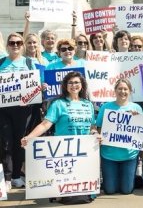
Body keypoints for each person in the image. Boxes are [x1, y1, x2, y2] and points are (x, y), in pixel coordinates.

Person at [21, 72, 99, 202]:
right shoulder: (58, 104)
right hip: (64, 152)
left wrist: (96, 134)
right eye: (70, 83)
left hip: (84, 153)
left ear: (82, 85)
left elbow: (92, 127)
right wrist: (29, 137)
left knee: (83, 195)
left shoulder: (88, 104)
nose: (74, 85)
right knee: (67, 195)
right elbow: (46, 124)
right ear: (65, 86)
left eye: (77, 82)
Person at [0, 33, 36, 192]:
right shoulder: (1, 62)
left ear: (23, 46)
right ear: (7, 45)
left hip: (23, 109)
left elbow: (36, 84)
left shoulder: (29, 62)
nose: (15, 45)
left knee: (20, 142)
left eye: (19, 43)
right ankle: (7, 177)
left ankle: (16, 175)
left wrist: (42, 87)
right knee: (7, 142)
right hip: (4, 110)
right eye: (12, 42)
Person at [96, 79, 142, 194]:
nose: (123, 91)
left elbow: (142, 134)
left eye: (125, 89)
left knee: (127, 190)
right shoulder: (105, 107)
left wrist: (138, 119)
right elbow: (99, 129)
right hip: (109, 156)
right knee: (110, 190)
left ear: (130, 91)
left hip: (129, 156)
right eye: (120, 89)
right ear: (115, 91)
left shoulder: (137, 108)